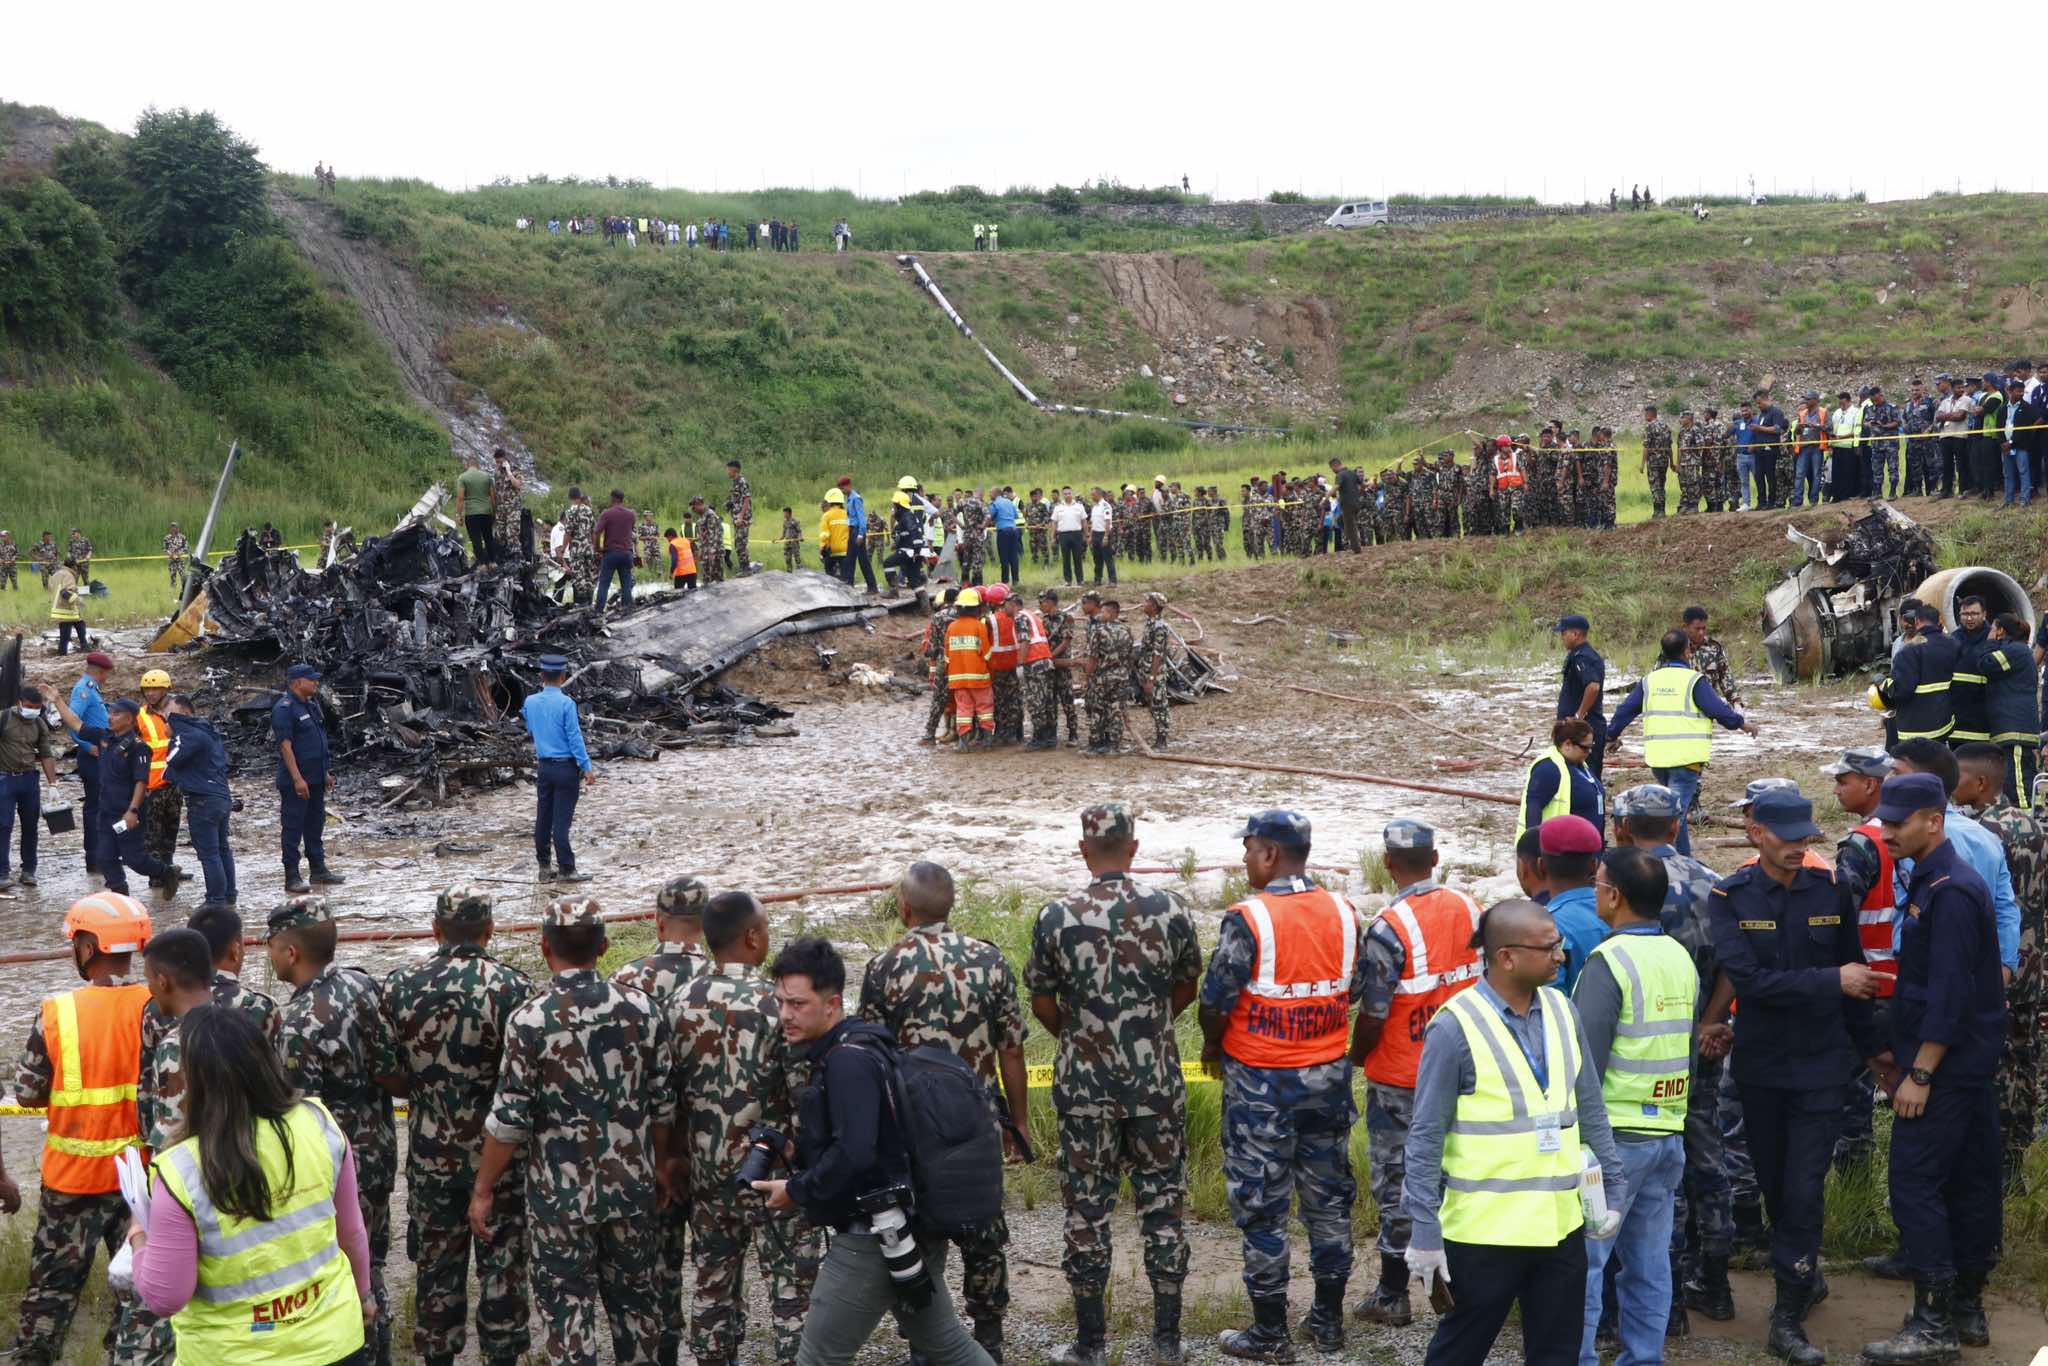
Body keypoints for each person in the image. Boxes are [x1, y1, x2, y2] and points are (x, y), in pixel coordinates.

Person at [752, 936, 995, 1366]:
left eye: (797, 1003)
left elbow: (856, 1155)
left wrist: (798, 1189)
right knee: (948, 1348)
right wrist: (797, 1151)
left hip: (874, 1239)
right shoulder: (862, 1044)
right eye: (781, 1002)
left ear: (831, 1003)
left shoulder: (848, 1061)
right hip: (903, 1230)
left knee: (818, 1358)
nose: (785, 1015)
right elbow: (868, 1138)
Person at [1703, 787, 1884, 1365]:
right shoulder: (1729, 896)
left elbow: (1856, 972)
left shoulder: (1831, 889)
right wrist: (1831, 982)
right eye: (1786, 838)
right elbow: (1750, 981)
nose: (1798, 848)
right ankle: (1800, 1269)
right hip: (1761, 1069)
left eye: (1806, 837)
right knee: (1778, 1186)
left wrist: (1876, 1051)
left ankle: (1786, 1317)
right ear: (1757, 834)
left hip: (1823, 1065)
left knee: (1805, 1189)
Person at [1402, 898, 1625, 1366]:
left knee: (1556, 1354)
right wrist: (1425, 1231)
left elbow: (1590, 1111)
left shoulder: (1564, 1011)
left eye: (1558, 945)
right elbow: (1424, 1137)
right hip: (1486, 1236)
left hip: (1560, 1228)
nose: (1561, 956)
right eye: (1549, 948)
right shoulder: (1455, 1027)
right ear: (1506, 956)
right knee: (1459, 1352)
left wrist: (1614, 1191)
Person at [1027, 805, 1200, 1366]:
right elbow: (1187, 985)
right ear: (1133, 847)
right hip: (1155, 1086)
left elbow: (1043, 1003)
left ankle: (1090, 1344)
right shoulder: (1171, 909)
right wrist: (1152, 1028)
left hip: (1084, 1090)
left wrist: (1079, 1036)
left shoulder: (1056, 916)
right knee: (1165, 1208)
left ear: (1083, 849)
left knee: (1086, 1211)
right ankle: (1168, 1342)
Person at [476, 897, 676, 1366]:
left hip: (559, 1201)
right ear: (604, 946)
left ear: (545, 947)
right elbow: (664, 1106)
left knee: (567, 1318)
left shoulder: (530, 1021)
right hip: (631, 1190)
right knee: (637, 1311)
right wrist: (663, 1166)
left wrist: (483, 1190)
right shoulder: (643, 1010)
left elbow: (509, 1122)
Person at [1199, 809, 1367, 1359]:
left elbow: (1215, 1000)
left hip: (1261, 1089)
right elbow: (1357, 985)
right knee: (1328, 1203)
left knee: (1262, 1207)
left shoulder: (1249, 918)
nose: (1244, 858)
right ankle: (1328, 1322)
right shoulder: (1345, 911)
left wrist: (1211, 1047)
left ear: (1270, 853)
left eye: (1248, 848)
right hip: (1328, 1083)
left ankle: (1271, 1333)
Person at [131, 1007, 375, 1366]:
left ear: (192, 1081)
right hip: (333, 1342)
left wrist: (139, 1237)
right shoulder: (319, 1124)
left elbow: (166, 1297)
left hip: (232, 1355)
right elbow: (351, 1233)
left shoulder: (179, 1170)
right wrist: (364, 1294)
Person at [1860, 772, 2006, 1364]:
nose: (1887, 832)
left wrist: (1920, 1073)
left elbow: (1948, 994)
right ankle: (1967, 1307)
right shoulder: (1933, 879)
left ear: (1933, 820)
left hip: (1945, 1068)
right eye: (1885, 820)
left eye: (1898, 823)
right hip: (1965, 1062)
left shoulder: (1948, 890)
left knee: (1916, 1184)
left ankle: (1933, 1321)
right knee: (1971, 1180)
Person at [857, 861, 1028, 1360]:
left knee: (919, 1232)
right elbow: (1012, 1050)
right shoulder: (989, 961)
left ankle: (924, 1340)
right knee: (983, 1235)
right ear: (952, 905)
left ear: (903, 907)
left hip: (912, 1129)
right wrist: (1017, 1125)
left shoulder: (884, 966)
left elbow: (870, 1056)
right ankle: (989, 1339)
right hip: (977, 1124)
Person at [379, 885, 535, 1366]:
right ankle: (503, 1355)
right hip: (501, 1157)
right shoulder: (515, 988)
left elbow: (388, 1074)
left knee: (437, 1272)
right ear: (489, 930)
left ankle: (438, 1355)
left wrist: (426, 1087)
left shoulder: (400, 986)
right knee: (504, 1268)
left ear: (435, 929)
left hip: (431, 1156)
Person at [8, 893, 153, 1366]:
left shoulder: (57, 1012)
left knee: (51, 1292)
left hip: (71, 1181)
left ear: (88, 947)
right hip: (139, 1185)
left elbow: (27, 1092)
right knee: (141, 1294)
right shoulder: (158, 1005)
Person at [677, 890, 821, 1366]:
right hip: (772, 1172)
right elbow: (804, 1093)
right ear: (753, 937)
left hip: (706, 1172)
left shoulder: (678, 1002)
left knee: (712, 1283)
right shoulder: (777, 1005)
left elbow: (666, 1095)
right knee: (792, 1288)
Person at [1353, 820, 1482, 1328]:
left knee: (1399, 1184)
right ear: (1435, 859)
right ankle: (1460, 1287)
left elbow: (1374, 1012)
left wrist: (1355, 1057)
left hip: (1401, 1077)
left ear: (1388, 863)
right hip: (1467, 1069)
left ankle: (1392, 1294)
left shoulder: (1388, 927)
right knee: (1459, 1175)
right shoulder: (1470, 907)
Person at [1575, 847, 1698, 1366]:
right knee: (1649, 1263)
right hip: (1668, 1136)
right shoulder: (1678, 955)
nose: (1596, 889)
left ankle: (1575, 1357)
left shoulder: (1609, 962)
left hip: (1613, 1143)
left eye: (1600, 883)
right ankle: (1643, 1358)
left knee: (1586, 1263)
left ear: (1614, 896)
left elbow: (1584, 1062)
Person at [268, 895, 400, 1366]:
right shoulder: (364, 986)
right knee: (375, 1259)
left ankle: (362, 1349)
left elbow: (299, 1116)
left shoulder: (298, 1024)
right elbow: (391, 1069)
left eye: (271, 946)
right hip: (381, 1148)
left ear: (291, 952)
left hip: (336, 1166)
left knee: (344, 1269)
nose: (269, 956)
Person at [1949, 744, 2046, 1189]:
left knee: (1996, 1060)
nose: (1953, 786)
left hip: (2000, 962)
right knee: (2026, 1058)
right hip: (2034, 962)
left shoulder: (1978, 833)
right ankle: (2018, 1156)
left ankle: (1995, 1163)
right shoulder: (2033, 824)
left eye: (1959, 778)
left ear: (1981, 783)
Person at [1606, 629, 1758, 855]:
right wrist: (1741, 723)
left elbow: (1626, 710)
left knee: (1673, 810)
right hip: (1687, 760)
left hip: (1659, 759)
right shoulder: (1694, 680)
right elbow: (1717, 709)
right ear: (1687, 651)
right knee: (1673, 813)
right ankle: (1676, 861)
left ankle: (1681, 860)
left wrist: (1611, 734)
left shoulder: (1650, 681)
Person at [521, 654, 595, 882]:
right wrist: (587, 766)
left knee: (543, 818)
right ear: (563, 677)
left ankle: (544, 868)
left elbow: (530, 728)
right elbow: (574, 738)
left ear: (541, 676)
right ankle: (567, 869)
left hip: (544, 768)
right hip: (565, 769)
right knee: (561, 822)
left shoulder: (530, 702)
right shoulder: (566, 704)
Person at [163, 692, 236, 911]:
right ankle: (229, 894)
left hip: (203, 799)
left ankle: (215, 899)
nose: (168, 721)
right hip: (220, 795)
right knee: (222, 849)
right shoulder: (208, 730)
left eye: (170, 716)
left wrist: (172, 735)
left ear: (185, 713)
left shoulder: (188, 733)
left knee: (210, 853)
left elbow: (172, 758)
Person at [275, 662, 344, 893]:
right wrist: (297, 779)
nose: (316, 683)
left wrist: (325, 772)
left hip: (315, 778)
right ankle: (292, 876)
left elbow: (318, 742)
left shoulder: (311, 706)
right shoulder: (284, 708)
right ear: (297, 682)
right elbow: (285, 746)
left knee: (315, 825)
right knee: (293, 827)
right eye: (311, 679)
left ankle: (318, 869)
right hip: (296, 781)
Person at [1539, 815, 1608, 994]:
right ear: (1594, 866)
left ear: (1541, 866)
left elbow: (1550, 1002)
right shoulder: (1618, 912)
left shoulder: (1544, 926)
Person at [1876, 603, 1958, 744]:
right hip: (1942, 725)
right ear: (1938, 621)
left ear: (1917, 621)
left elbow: (1901, 691)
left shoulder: (1908, 651)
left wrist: (1882, 682)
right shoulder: (1952, 643)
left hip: (1914, 728)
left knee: (1913, 764)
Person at [1982, 612, 2040, 802]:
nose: (1989, 632)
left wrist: (1989, 643)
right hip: (2012, 726)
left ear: (2000, 631)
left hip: (2015, 727)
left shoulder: (2015, 651)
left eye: (1992, 629)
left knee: (2018, 781)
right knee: (2019, 776)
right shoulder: (2017, 650)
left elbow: (1986, 664)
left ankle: (2025, 822)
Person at [64, 650, 112, 876]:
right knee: (95, 807)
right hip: (92, 756)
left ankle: (103, 854)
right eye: (105, 674)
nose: (106, 678)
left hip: (101, 754)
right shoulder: (83, 690)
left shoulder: (92, 689)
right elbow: (72, 722)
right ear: (99, 671)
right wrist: (87, 747)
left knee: (103, 805)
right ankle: (94, 858)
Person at [1519, 717, 1603, 845]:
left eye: (1591, 747)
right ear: (1568, 744)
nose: (1589, 752)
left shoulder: (1580, 765)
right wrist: (1534, 849)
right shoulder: (1549, 769)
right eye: (1585, 748)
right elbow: (1533, 809)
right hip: (1561, 852)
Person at [135, 668, 182, 883]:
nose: (151, 693)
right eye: (147, 689)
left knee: (171, 829)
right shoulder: (140, 716)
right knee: (152, 834)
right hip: (152, 785)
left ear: (165, 690)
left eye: (155, 689)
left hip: (174, 783)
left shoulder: (177, 713)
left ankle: (169, 870)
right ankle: (156, 876)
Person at [1554, 614, 1608, 775]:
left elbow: (1593, 686)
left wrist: (1579, 716)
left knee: (1586, 775)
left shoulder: (1582, 657)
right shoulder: (1578, 654)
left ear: (1575, 634)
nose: (1561, 637)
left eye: (1564, 633)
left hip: (1583, 730)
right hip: (1578, 729)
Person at [945, 588, 995, 748]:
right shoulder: (979, 627)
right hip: (979, 678)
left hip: (958, 679)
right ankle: (987, 742)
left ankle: (963, 744)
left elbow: (947, 657)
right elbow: (987, 654)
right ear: (977, 608)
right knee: (985, 709)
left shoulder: (951, 628)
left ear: (959, 608)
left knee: (963, 711)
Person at [1135, 592, 1173, 751]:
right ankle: (1159, 736)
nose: (1144, 603)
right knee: (1152, 704)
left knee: (1159, 705)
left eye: (1147, 601)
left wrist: (1151, 678)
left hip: (1155, 672)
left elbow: (1158, 654)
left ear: (1155, 606)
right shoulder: (1150, 624)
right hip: (1147, 670)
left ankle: (1162, 739)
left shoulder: (1159, 627)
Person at [1682, 606, 1741, 709]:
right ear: (1685, 627)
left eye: (1703, 628)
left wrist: (1736, 702)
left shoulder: (1714, 648)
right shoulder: (1674, 647)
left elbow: (1725, 676)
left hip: (1707, 708)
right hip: (1682, 707)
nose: (1701, 632)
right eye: (1697, 629)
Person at [594, 489, 637, 613]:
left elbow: (597, 532)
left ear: (612, 498)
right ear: (622, 499)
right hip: (627, 553)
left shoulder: (607, 514)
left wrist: (597, 547)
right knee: (626, 584)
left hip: (611, 553)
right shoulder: (631, 514)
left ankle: (599, 611)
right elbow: (630, 531)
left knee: (604, 584)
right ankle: (627, 610)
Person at [456, 457, 497, 564]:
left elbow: (460, 498)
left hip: (472, 514)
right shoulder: (487, 476)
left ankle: (482, 564)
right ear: (478, 466)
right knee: (489, 539)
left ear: (467, 466)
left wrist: (459, 515)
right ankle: (493, 563)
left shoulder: (463, 477)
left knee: (476, 540)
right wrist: (494, 513)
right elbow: (493, 497)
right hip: (486, 513)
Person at [491, 448, 524, 564]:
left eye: (499, 461)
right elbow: (496, 491)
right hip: (501, 510)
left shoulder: (515, 470)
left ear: (504, 459)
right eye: (496, 462)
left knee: (512, 534)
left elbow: (518, 485)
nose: (498, 464)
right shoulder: (497, 472)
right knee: (500, 536)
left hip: (513, 509)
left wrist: (509, 472)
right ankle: (503, 560)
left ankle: (516, 560)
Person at [49, 556, 87, 654]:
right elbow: (65, 593)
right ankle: (62, 653)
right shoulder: (69, 575)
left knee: (80, 624)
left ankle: (85, 646)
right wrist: (79, 601)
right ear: (73, 566)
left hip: (58, 608)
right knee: (66, 634)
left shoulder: (56, 574)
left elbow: (51, 589)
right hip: (66, 609)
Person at [1052, 488, 1088, 585]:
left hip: (1076, 534)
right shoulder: (1058, 507)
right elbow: (1054, 523)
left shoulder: (1079, 506)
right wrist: (1053, 537)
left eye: (1069, 493)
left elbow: (1084, 521)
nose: (1067, 495)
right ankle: (1068, 580)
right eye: (1065, 494)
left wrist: (1086, 534)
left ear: (1072, 494)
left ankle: (1080, 580)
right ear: (1062, 495)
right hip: (1063, 535)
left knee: (1078, 558)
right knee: (1066, 559)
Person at [726, 460, 754, 576]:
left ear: (734, 470)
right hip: (737, 518)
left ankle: (745, 569)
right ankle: (744, 567)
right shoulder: (735, 482)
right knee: (738, 543)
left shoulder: (742, 481)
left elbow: (747, 499)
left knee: (741, 544)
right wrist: (730, 504)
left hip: (742, 519)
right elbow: (738, 499)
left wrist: (741, 516)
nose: (727, 472)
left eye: (728, 469)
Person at [990, 486, 1022, 584]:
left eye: (990, 493)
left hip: (1003, 532)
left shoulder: (995, 503)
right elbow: (1016, 515)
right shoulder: (1009, 502)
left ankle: (1005, 582)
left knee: (1004, 557)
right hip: (1014, 530)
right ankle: (1016, 580)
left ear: (996, 494)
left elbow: (989, 516)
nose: (989, 495)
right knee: (1013, 556)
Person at [818, 488, 850, 580]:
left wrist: (821, 549)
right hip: (845, 550)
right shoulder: (847, 514)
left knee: (830, 579)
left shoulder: (826, 515)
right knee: (845, 579)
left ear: (829, 501)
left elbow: (825, 535)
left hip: (831, 551)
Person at [1088, 488, 1116, 585]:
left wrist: (1106, 536)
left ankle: (1112, 580)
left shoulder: (1105, 506)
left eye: (1093, 495)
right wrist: (1091, 536)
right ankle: (1097, 579)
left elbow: (1108, 522)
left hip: (1104, 533)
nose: (1091, 497)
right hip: (1095, 534)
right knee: (1097, 559)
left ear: (1098, 494)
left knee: (1107, 558)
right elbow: (1093, 523)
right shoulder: (1094, 507)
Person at [666, 525, 697, 591]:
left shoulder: (673, 544)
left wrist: (671, 572)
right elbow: (694, 552)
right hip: (692, 571)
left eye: (667, 538)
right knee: (693, 593)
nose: (668, 540)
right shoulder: (686, 540)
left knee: (678, 595)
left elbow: (674, 559)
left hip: (681, 573)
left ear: (670, 536)